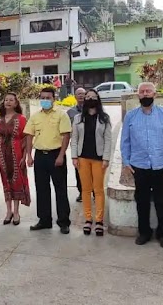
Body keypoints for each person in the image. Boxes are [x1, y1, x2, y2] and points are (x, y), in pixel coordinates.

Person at [121, 82, 163, 248]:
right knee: (142, 201)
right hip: (139, 166)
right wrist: (126, 162)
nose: (145, 94)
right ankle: (144, 232)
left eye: (148, 91)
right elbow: (125, 141)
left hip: (161, 165)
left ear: (155, 94)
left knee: (162, 202)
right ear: (138, 95)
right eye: (142, 91)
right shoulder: (130, 116)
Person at [24, 87, 72, 234]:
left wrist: (61, 156)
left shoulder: (61, 115)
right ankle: (44, 220)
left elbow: (66, 136)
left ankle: (63, 222)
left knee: (61, 189)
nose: (45, 100)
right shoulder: (35, 116)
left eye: (48, 98)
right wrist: (29, 155)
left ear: (54, 99)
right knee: (42, 189)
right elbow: (29, 136)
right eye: (42, 98)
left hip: (56, 155)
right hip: (39, 156)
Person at [71, 89, 112, 236]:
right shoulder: (77, 118)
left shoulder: (104, 118)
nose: (89, 99)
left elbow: (108, 140)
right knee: (86, 190)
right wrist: (74, 157)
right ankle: (88, 219)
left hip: (99, 159)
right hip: (83, 158)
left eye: (93, 97)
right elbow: (74, 139)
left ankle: (99, 220)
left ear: (98, 99)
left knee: (99, 190)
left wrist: (106, 158)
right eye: (87, 97)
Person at [0, 92, 30, 226]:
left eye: (11, 100)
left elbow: (26, 139)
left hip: (17, 153)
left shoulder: (22, 119)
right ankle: (8, 211)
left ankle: (17, 212)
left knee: (17, 182)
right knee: (6, 182)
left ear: (16, 103)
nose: (8, 102)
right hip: (2, 154)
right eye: (6, 99)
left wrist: (25, 156)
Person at [67, 87, 87, 202]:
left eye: (83, 94)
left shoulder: (93, 110)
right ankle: (82, 192)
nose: (81, 96)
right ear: (75, 96)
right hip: (77, 145)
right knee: (78, 170)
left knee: (92, 170)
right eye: (78, 94)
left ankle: (93, 191)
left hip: (91, 145)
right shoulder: (70, 112)